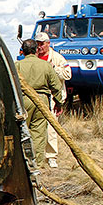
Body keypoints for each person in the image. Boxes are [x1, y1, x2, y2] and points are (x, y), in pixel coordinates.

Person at [15, 39, 64, 167]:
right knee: (38, 134)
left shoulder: (17, 65)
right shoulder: (46, 65)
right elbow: (56, 86)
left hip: (23, 101)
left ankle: (21, 163)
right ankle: (35, 164)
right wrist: (59, 103)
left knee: (21, 132)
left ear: (23, 51)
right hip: (41, 102)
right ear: (36, 50)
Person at [35, 32, 71, 168]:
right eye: (37, 44)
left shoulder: (57, 58)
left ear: (48, 44)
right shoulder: (34, 57)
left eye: (42, 44)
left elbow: (68, 74)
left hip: (52, 97)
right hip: (37, 96)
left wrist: (53, 69)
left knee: (51, 128)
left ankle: (51, 156)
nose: (39, 47)